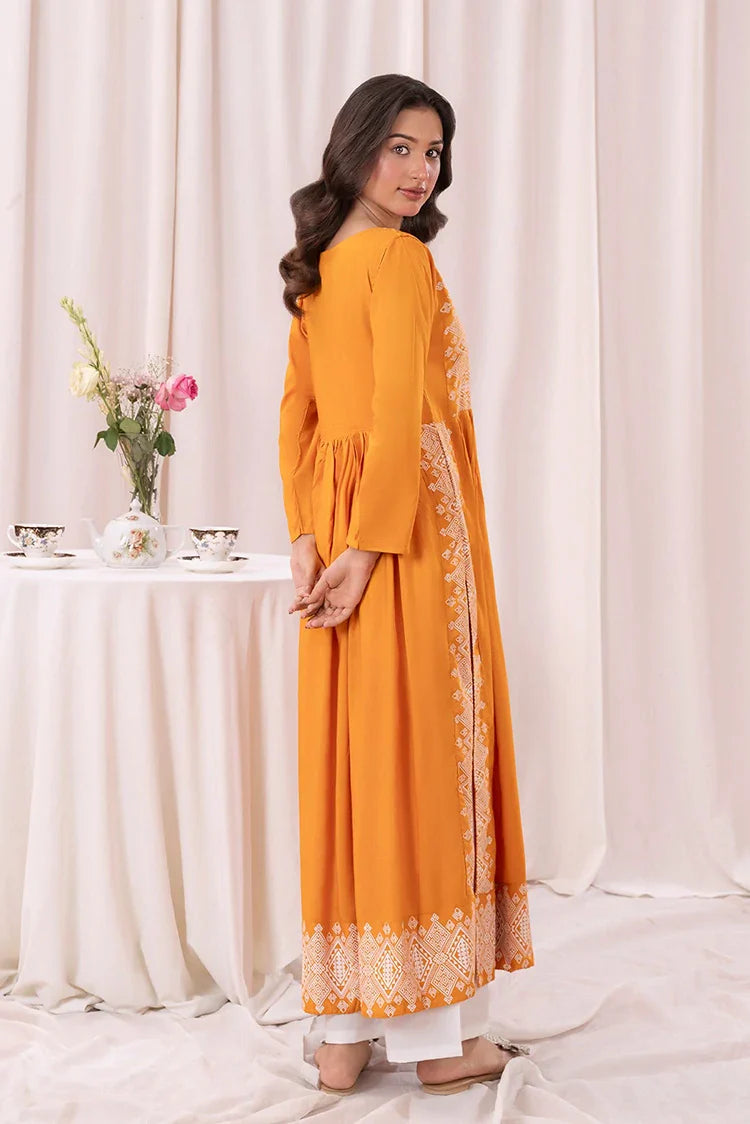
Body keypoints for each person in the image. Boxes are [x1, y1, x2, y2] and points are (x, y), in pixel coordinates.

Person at [278, 73, 533, 1097]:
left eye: (433, 152)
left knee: (353, 765)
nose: (420, 170)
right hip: (410, 531)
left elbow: (297, 416)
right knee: (424, 757)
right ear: (356, 148)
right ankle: (440, 1043)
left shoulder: (319, 267)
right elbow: (395, 410)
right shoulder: (396, 258)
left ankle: (343, 1037)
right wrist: (373, 548)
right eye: (400, 147)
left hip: (344, 520)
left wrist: (311, 535)